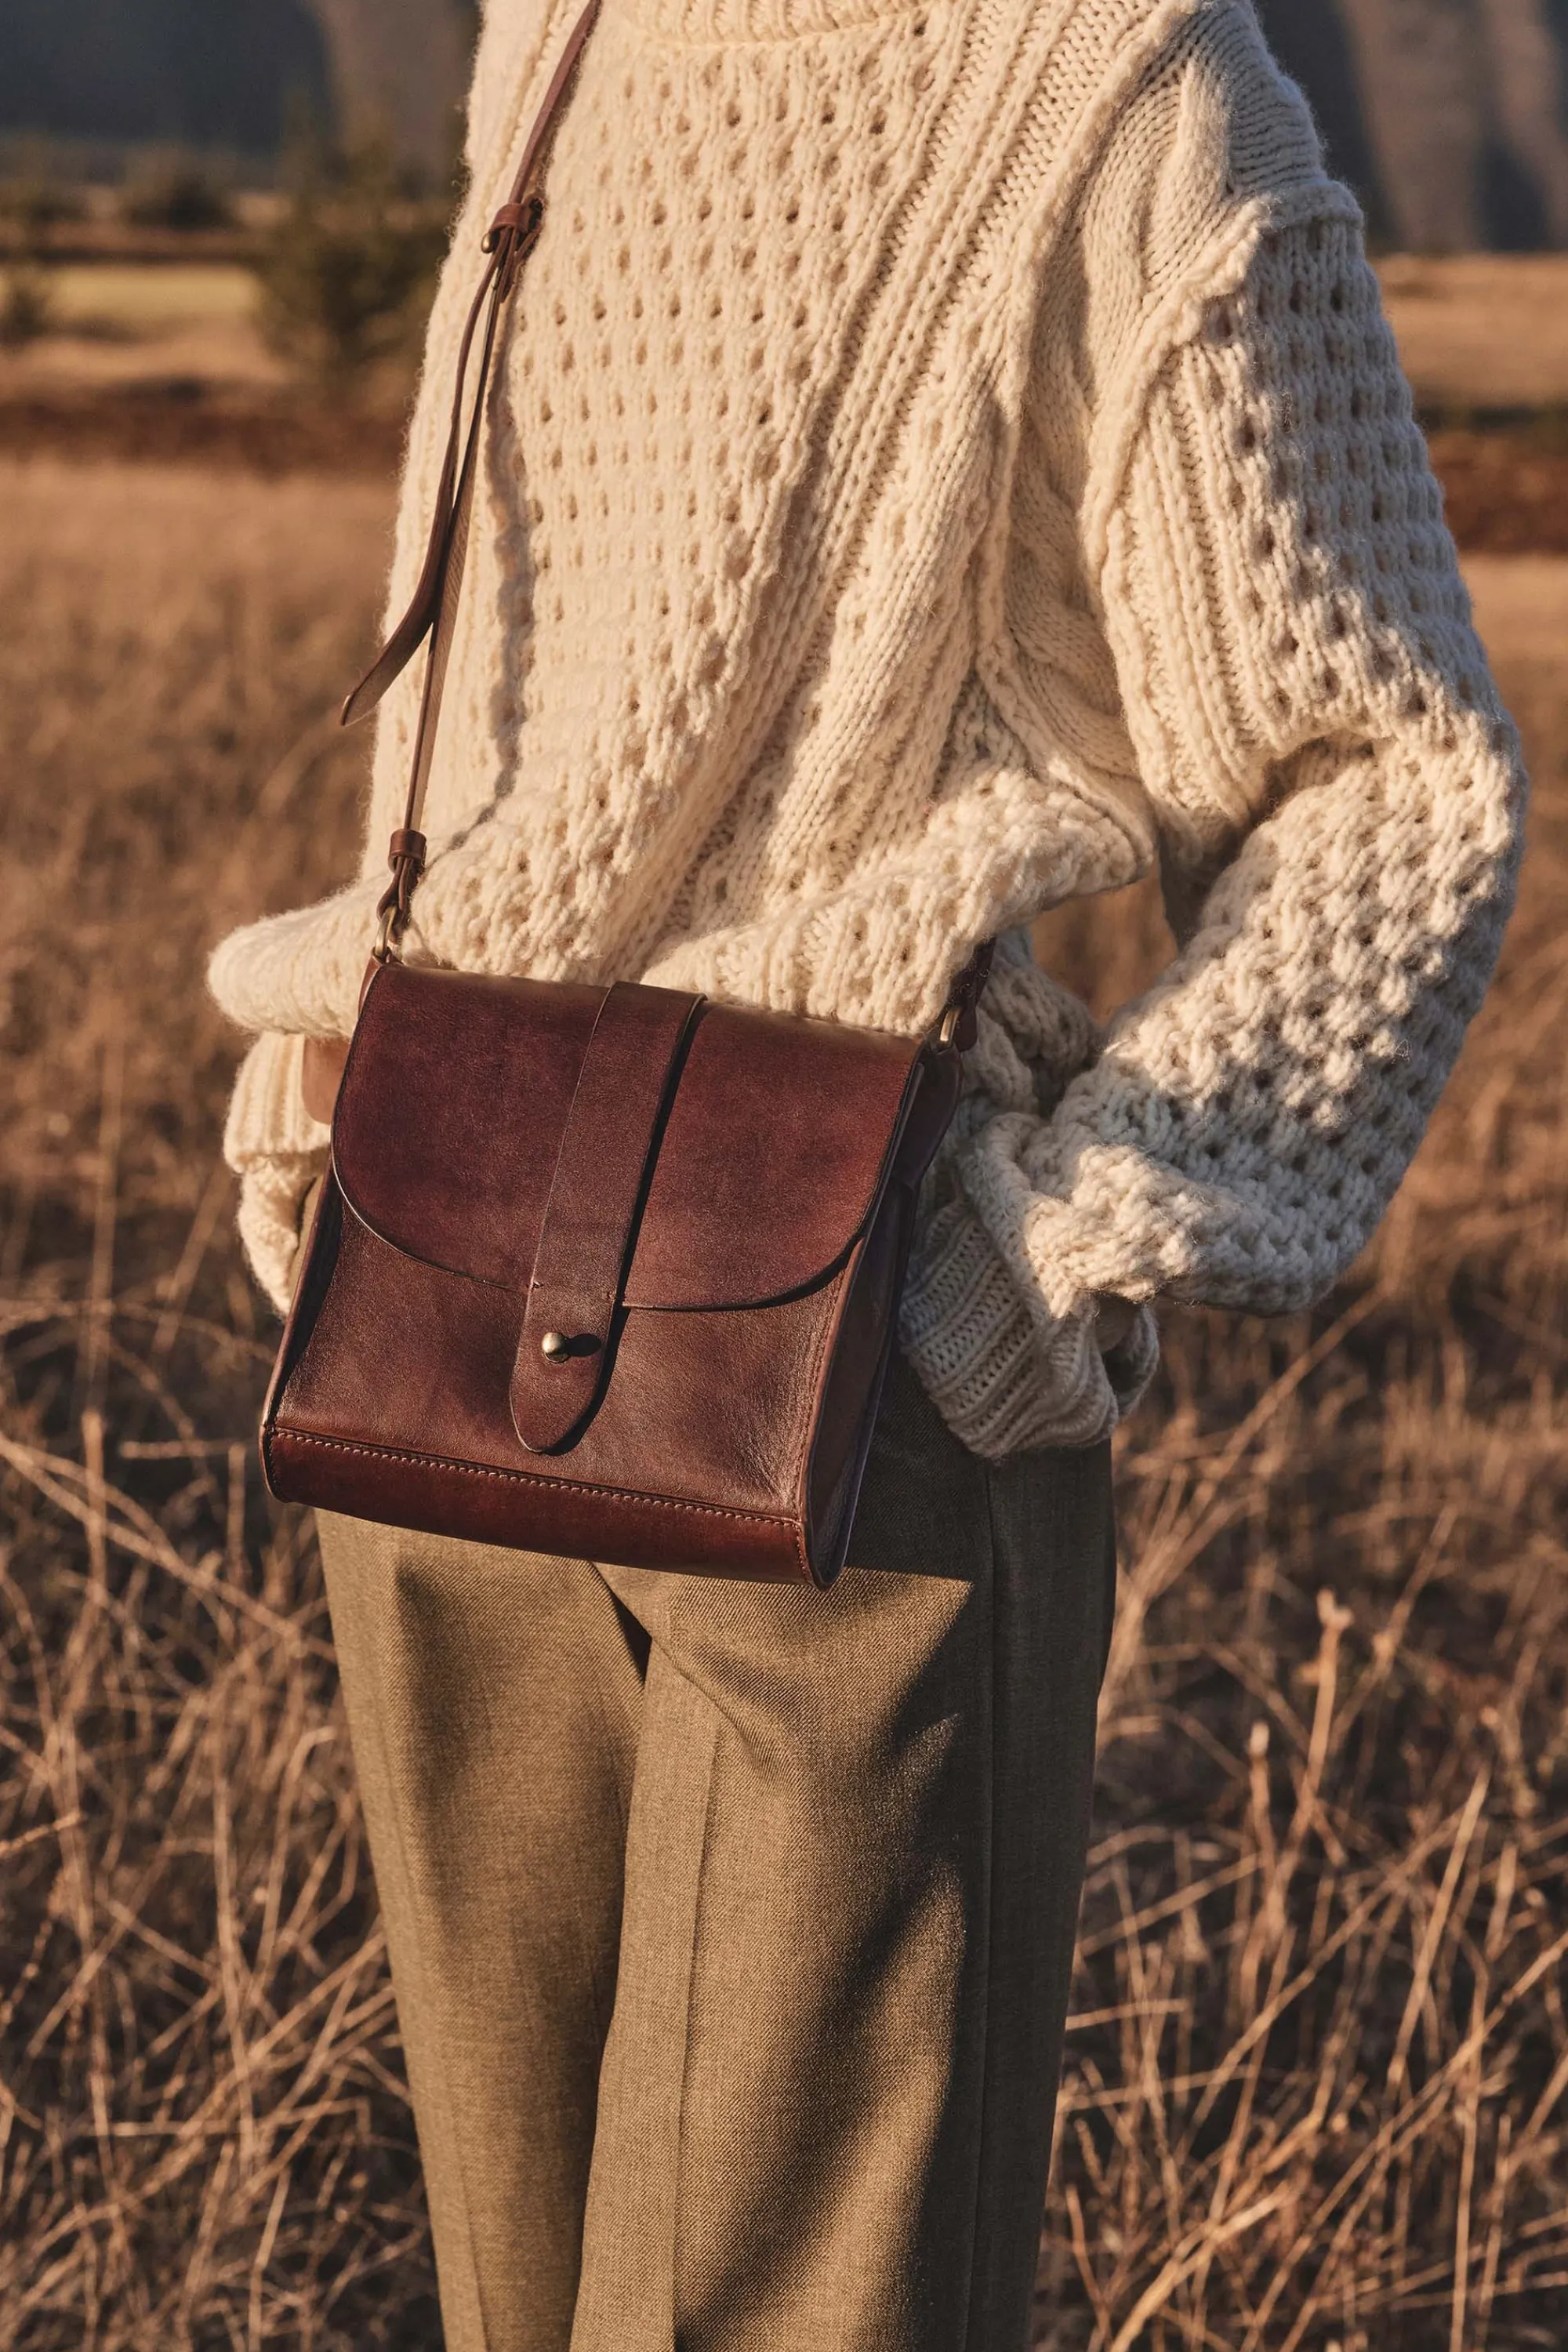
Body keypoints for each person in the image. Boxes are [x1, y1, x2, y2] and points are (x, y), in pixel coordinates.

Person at [209, 0, 1523, 2345]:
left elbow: (1394, 775)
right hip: (429, 1319)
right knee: (521, 2302)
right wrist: (340, 1039)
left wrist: (1071, 1236)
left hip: (859, 1384)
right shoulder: (562, 27)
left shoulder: (1124, 83)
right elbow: (499, 672)